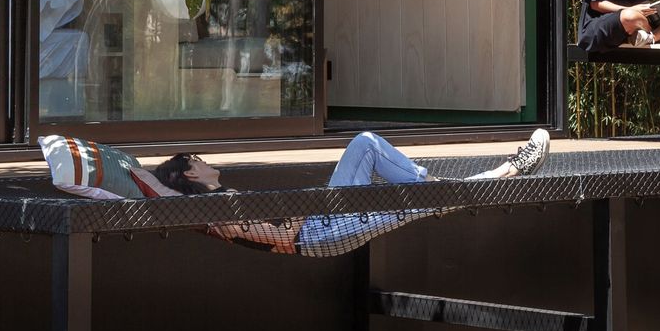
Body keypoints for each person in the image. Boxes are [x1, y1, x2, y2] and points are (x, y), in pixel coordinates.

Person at [142, 128, 551, 257]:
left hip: (323, 214)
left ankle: (426, 187)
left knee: (365, 143)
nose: (204, 159)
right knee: (429, 200)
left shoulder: (223, 196)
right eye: (195, 158)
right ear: (190, 172)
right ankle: (511, 169)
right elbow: (158, 194)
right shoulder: (209, 210)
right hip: (316, 235)